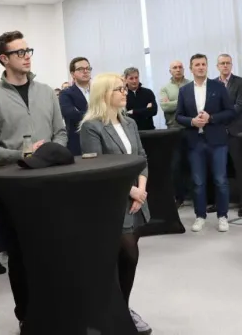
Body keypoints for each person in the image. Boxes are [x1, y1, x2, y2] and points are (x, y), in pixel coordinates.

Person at [0, 30, 66, 329]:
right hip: (16, 186)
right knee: (20, 254)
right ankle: (27, 317)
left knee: (54, 250)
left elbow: (61, 133)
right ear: (4, 59)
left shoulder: (46, 92)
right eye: (19, 52)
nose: (27, 56)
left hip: (51, 181)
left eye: (28, 50)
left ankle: (57, 309)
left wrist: (49, 150)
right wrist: (23, 153)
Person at [80, 73, 152, 335]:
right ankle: (113, 309)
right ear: (104, 95)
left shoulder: (129, 122)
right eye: (118, 89)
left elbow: (141, 157)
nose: (125, 92)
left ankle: (123, 307)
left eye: (124, 88)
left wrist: (141, 189)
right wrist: (131, 191)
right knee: (127, 254)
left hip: (136, 199)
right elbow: (97, 169)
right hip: (112, 201)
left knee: (127, 258)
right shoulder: (91, 127)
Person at [176, 53, 235, 233]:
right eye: (197, 65)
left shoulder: (218, 86)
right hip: (195, 141)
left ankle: (223, 216)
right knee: (198, 182)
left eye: (203, 64)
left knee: (220, 180)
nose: (201, 67)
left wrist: (211, 118)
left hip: (217, 141)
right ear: (191, 68)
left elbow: (230, 112)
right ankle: (200, 216)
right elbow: (178, 116)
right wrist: (192, 122)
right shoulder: (184, 90)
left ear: (207, 66)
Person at [215, 54, 242, 217]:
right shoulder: (212, 84)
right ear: (217, 66)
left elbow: (239, 106)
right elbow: (210, 107)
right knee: (219, 169)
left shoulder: (241, 82)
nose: (225, 66)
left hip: (235, 131)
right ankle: (220, 203)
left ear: (231, 65)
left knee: (239, 168)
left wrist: (219, 116)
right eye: (222, 63)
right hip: (217, 132)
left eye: (228, 63)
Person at [159, 60, 191, 207]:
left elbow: (195, 105)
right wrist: (184, 101)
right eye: (174, 68)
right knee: (175, 165)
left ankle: (195, 196)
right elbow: (165, 107)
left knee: (193, 163)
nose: (178, 69)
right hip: (173, 130)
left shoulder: (191, 84)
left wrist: (173, 102)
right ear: (170, 71)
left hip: (191, 129)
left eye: (180, 67)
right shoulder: (165, 88)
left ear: (184, 69)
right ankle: (179, 197)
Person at [59, 57, 92, 155]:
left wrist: (81, 112)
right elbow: (71, 115)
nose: (85, 71)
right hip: (78, 141)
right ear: (73, 74)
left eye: (88, 68)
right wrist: (97, 114)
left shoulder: (97, 92)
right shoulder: (66, 94)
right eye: (81, 69)